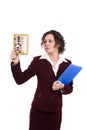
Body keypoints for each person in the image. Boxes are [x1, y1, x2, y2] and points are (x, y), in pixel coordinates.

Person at [10, 30, 73, 130]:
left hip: (55, 111)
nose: (46, 44)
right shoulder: (38, 61)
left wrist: (62, 87)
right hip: (38, 110)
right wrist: (16, 63)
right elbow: (20, 79)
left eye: (50, 41)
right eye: (44, 41)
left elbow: (70, 88)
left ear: (58, 44)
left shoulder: (67, 64)